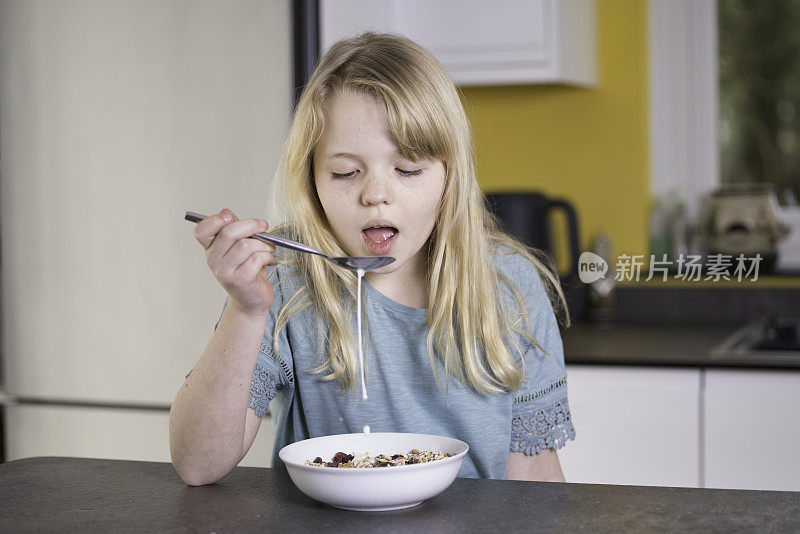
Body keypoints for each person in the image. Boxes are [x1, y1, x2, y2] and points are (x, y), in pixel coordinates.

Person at [169, 32, 575, 486]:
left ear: (449, 177)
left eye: (407, 170)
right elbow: (198, 464)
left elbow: (534, 480)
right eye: (346, 172)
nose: (376, 195)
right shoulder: (284, 279)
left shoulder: (509, 286)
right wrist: (246, 311)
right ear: (312, 181)